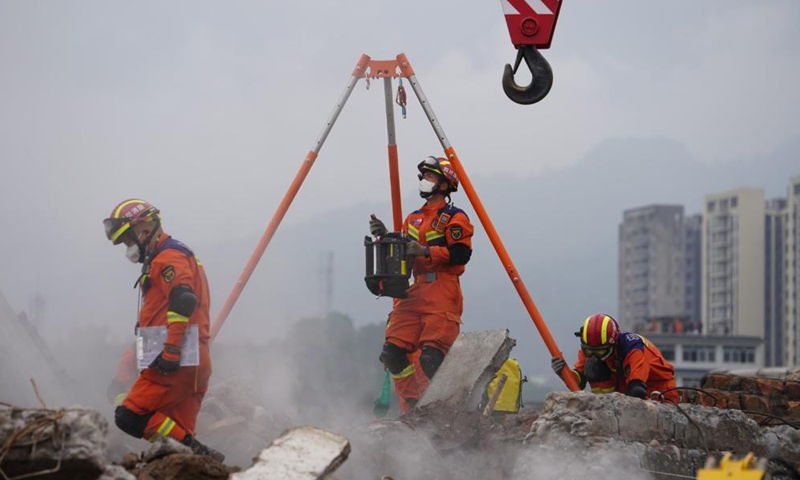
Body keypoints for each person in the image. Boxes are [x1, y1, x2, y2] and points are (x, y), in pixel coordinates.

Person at [103, 199, 224, 461]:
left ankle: (200, 454)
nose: (128, 248)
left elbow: (184, 299)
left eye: (128, 240)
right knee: (173, 450)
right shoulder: (168, 256)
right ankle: (196, 459)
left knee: (129, 415)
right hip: (190, 359)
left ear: (145, 230)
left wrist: (171, 351)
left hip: (176, 361)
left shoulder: (168, 257)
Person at [369, 156, 475, 412]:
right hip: (413, 293)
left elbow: (462, 255)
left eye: (430, 177)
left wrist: (426, 252)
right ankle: (414, 404)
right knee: (392, 354)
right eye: (424, 177)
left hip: (442, 291)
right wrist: (385, 236)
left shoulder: (455, 217)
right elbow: (403, 249)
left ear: (444, 184)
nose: (424, 181)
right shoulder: (413, 218)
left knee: (431, 358)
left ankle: (447, 408)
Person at [551, 313, 678, 403]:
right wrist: (564, 372)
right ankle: (601, 405)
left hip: (657, 390)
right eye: (589, 351)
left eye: (600, 352)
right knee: (593, 366)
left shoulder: (633, 349)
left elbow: (636, 389)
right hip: (622, 387)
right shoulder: (591, 346)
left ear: (613, 343)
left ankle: (606, 409)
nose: (594, 356)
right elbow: (580, 380)